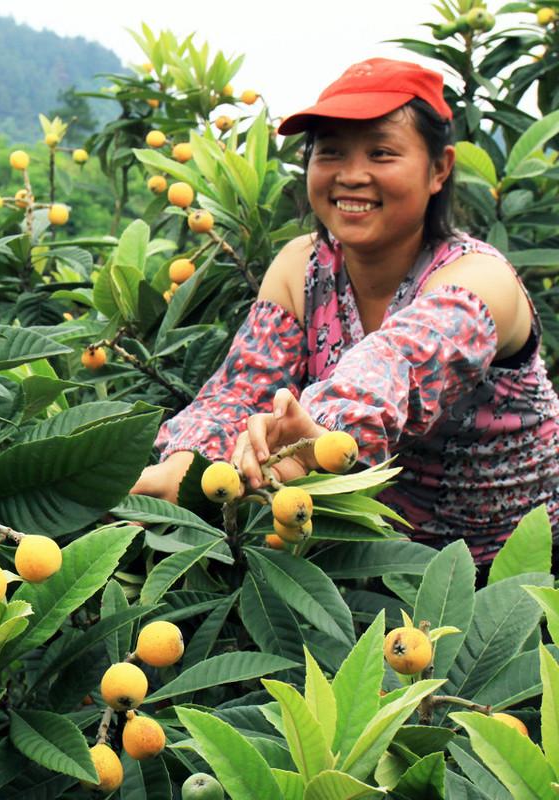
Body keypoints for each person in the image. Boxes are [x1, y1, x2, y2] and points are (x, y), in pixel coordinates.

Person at [130, 58, 559, 564]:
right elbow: (240, 389)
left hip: (510, 577)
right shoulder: (300, 266)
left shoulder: (481, 279)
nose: (352, 176)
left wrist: (323, 432)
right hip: (362, 563)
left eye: (381, 152)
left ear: (438, 169)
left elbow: (397, 365)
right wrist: (187, 463)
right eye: (330, 152)